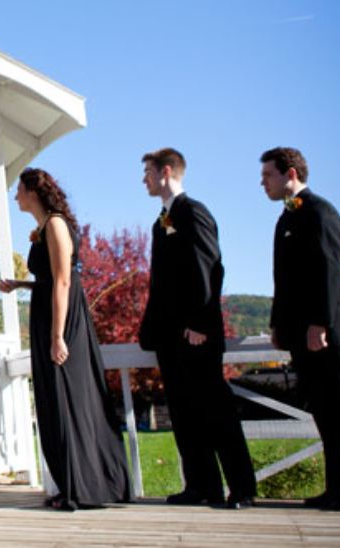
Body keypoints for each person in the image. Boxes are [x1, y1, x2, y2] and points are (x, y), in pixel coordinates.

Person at [0, 168, 130, 511]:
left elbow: (63, 282)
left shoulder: (55, 225)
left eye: (19, 191)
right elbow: (47, 279)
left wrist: (58, 336)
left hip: (63, 320)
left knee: (66, 396)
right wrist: (19, 285)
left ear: (32, 193)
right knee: (51, 401)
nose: (15, 197)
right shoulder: (43, 229)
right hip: (45, 313)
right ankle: (68, 485)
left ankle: (82, 488)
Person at [261, 146, 340, 511]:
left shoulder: (320, 211)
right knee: (325, 412)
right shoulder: (285, 219)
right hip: (300, 333)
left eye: (268, 175)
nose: (262, 182)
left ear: (291, 174)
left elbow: (331, 270)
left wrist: (320, 322)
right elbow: (284, 280)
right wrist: (278, 325)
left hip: (329, 331)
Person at [137, 148, 256, 509]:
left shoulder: (194, 211)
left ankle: (242, 488)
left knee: (216, 412)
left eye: (147, 172)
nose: (143, 179)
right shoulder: (162, 221)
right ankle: (201, 485)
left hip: (196, 333)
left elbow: (209, 266)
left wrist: (200, 322)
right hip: (170, 336)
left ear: (166, 171)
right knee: (184, 413)